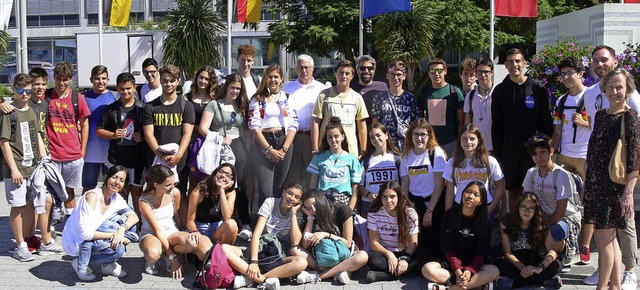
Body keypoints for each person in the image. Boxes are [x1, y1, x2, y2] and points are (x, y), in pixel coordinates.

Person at [581, 46, 640, 289]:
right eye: (611, 87)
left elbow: (635, 160)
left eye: (620, 87)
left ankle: (602, 286)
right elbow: (592, 153)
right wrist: (586, 184)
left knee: (605, 239)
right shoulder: (602, 115)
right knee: (609, 239)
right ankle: (614, 285)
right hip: (595, 184)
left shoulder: (630, 117)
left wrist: (628, 193)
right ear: (604, 89)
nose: (615, 91)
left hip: (613, 187)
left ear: (628, 90)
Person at [491, 48, 553, 214]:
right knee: (514, 190)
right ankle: (516, 225)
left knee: (534, 191)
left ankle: (535, 227)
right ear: (505, 65)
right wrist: (498, 154)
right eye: (510, 61)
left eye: (518, 61)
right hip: (509, 152)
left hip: (533, 152)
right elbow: (496, 125)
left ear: (524, 63)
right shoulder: (500, 90)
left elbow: (546, 121)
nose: (514, 65)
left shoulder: (537, 88)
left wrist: (544, 148)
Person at [2, 73, 54, 262]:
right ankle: (20, 245)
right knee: (18, 206)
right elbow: (4, 143)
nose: (25, 94)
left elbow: (38, 136)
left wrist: (45, 160)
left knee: (32, 204)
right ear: (14, 90)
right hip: (15, 170)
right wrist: (14, 169)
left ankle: (30, 239)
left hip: (33, 168)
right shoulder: (8, 112)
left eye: (28, 90)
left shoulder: (31, 110)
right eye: (21, 90)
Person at [222, 182, 309, 290]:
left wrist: (293, 213)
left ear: (299, 201)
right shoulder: (270, 202)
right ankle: (261, 278)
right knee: (223, 248)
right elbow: (256, 234)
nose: (292, 198)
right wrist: (254, 262)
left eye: (297, 197)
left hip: (278, 255)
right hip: (260, 248)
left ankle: (255, 278)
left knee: (301, 263)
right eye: (290, 193)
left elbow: (296, 242)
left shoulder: (296, 212)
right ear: (283, 192)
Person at [62, 165, 140, 281]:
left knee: (130, 227)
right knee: (118, 250)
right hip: (77, 241)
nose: (117, 182)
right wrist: (116, 236)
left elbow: (134, 216)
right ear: (106, 177)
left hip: (96, 233)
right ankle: (80, 262)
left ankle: (106, 265)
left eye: (121, 180)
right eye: (114, 177)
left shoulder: (115, 197)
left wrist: (121, 230)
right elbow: (85, 234)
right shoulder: (93, 196)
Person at [142, 64, 195, 229]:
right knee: (155, 192)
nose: (168, 84)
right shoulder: (151, 106)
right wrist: (159, 153)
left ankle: (181, 225)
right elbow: (148, 133)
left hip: (179, 159)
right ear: (161, 80)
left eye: (172, 81)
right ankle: (155, 225)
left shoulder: (186, 105)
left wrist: (178, 156)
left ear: (178, 81)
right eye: (165, 80)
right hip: (157, 159)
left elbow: (187, 133)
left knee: (180, 193)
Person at [421, 181, 500, 290]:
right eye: (468, 192)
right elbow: (448, 248)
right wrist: (458, 270)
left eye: (476, 195)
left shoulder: (484, 221)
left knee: (494, 271)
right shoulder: (449, 215)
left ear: (481, 201)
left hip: (473, 265)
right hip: (451, 264)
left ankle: (450, 288)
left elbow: (481, 252)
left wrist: (469, 271)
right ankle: (477, 286)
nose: (470, 196)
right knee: (427, 269)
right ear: (462, 194)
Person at [199, 74, 250, 239]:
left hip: (239, 147)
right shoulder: (214, 104)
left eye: (238, 88)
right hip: (220, 148)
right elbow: (203, 128)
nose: (235, 91)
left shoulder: (241, 106)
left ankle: (243, 222)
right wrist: (220, 139)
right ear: (226, 87)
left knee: (238, 185)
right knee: (218, 183)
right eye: (232, 87)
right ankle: (218, 219)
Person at [139, 164, 212, 279]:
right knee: (152, 254)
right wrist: (174, 259)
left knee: (192, 243)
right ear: (156, 185)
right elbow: (157, 231)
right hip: (152, 233)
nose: (172, 186)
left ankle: (171, 253)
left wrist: (181, 236)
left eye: (173, 183)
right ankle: (159, 258)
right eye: (168, 185)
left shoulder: (175, 193)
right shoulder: (144, 201)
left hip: (171, 231)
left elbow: (177, 217)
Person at [523, 134, 582, 265]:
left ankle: (562, 255)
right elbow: (526, 201)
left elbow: (560, 212)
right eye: (535, 154)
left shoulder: (561, 174)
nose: (539, 157)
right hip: (542, 216)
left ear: (551, 151)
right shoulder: (531, 173)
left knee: (554, 231)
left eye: (542, 152)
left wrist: (542, 226)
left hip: (567, 218)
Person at [96, 72, 146, 221]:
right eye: (122, 89)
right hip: (118, 158)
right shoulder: (111, 109)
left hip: (137, 158)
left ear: (135, 88)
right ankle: (121, 221)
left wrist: (142, 137)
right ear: (117, 89)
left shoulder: (143, 108)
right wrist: (113, 134)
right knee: (120, 192)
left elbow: (153, 132)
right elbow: (99, 130)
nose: (126, 92)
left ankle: (138, 222)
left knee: (137, 191)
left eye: (129, 88)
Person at [291, 189, 368, 284]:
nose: (314, 210)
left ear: (321, 200)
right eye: (309, 208)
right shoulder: (310, 216)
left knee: (363, 256)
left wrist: (326, 235)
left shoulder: (342, 210)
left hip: (342, 255)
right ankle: (338, 272)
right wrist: (310, 218)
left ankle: (318, 276)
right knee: (295, 250)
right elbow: (305, 245)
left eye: (315, 204)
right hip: (322, 259)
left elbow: (347, 243)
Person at [248, 64, 298, 209]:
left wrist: (284, 149)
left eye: (276, 77)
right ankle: (262, 225)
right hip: (264, 143)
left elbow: (294, 125)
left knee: (279, 187)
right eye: (270, 76)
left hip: (284, 141)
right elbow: (254, 127)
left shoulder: (288, 98)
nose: (273, 80)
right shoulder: (257, 98)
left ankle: (277, 223)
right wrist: (269, 149)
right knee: (265, 190)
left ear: (281, 79)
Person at [46, 61, 91, 216]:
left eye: (65, 79)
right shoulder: (46, 96)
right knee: (50, 192)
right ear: (54, 77)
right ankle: (50, 226)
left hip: (73, 154)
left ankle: (69, 222)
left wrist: (82, 150)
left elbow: (85, 125)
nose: (62, 82)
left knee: (69, 191)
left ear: (71, 79)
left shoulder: (77, 98)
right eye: (59, 78)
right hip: (51, 154)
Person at [494, 193, 564, 289]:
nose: (526, 211)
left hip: (536, 260)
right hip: (516, 260)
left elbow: (552, 252)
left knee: (557, 265)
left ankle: (514, 282)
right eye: (523, 207)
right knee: (499, 264)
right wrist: (522, 267)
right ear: (518, 207)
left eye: (531, 208)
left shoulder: (542, 224)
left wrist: (540, 268)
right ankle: (543, 281)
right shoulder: (506, 222)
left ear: (536, 210)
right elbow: (507, 253)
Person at [399, 118, 446, 249]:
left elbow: (440, 184)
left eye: (423, 134)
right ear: (410, 136)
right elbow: (405, 185)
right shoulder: (406, 156)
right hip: (415, 205)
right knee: (417, 243)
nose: (419, 138)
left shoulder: (435, 153)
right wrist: (405, 208)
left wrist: (429, 211)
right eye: (415, 134)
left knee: (435, 243)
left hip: (434, 205)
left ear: (429, 135)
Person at [284, 54, 329, 189]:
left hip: (314, 138)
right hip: (294, 138)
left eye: (307, 68)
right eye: (301, 68)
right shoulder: (287, 89)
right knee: (294, 176)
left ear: (312, 68)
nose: (304, 71)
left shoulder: (322, 89)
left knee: (313, 176)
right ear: (296, 69)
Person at [365, 181, 421, 283]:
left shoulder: (410, 214)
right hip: (385, 253)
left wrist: (404, 259)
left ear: (399, 196)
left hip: (406, 252)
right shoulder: (374, 213)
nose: (388, 201)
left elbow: (414, 243)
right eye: (384, 197)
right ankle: (403, 272)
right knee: (373, 260)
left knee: (425, 258)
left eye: (392, 196)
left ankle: (386, 276)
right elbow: (374, 243)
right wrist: (389, 255)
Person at [443, 124, 505, 215]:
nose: (468, 142)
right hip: (461, 207)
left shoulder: (490, 161)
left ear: (479, 140)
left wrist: (491, 208)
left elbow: (501, 186)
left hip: (483, 206)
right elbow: (449, 193)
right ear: (459, 140)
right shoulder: (452, 163)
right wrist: (448, 215)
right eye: (464, 138)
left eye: (472, 139)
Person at [311, 60, 369, 158]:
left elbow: (362, 125)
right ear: (335, 74)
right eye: (341, 73)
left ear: (352, 76)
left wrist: (363, 150)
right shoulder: (324, 95)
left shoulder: (357, 97)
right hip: (327, 149)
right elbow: (315, 122)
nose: (344, 76)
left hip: (350, 151)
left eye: (347, 73)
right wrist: (315, 148)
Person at [307, 117, 362, 209]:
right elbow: (313, 187)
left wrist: (349, 210)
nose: (333, 140)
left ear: (342, 136)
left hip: (344, 201)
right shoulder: (319, 158)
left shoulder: (352, 159)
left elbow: (355, 191)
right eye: (330, 137)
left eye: (336, 136)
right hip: (323, 200)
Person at [551, 57, 589, 181]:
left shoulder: (591, 96)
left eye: (569, 73)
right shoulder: (561, 100)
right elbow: (557, 130)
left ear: (580, 74)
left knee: (586, 195)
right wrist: (551, 151)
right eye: (563, 74)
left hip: (585, 156)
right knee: (565, 196)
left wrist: (583, 122)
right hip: (564, 155)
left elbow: (600, 125)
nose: (566, 78)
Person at [417, 58, 465, 156]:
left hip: (451, 142)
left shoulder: (455, 92)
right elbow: (420, 118)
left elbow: (461, 122)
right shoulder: (425, 92)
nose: (436, 74)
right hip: (430, 142)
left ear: (445, 71)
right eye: (432, 71)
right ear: (429, 73)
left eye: (439, 70)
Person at [83, 65, 119, 193]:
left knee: (111, 188)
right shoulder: (84, 98)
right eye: (97, 78)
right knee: (88, 188)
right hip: (90, 152)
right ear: (91, 79)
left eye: (104, 78)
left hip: (111, 151)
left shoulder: (116, 97)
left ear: (108, 80)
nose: (101, 81)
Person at [369, 61, 420, 148]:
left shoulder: (411, 98)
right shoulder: (379, 98)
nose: (395, 78)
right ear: (387, 76)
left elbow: (415, 123)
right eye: (392, 74)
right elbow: (375, 124)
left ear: (404, 76)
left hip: (406, 145)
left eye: (399, 74)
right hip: (385, 145)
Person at [186, 163, 238, 245]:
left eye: (227, 175)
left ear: (232, 180)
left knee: (232, 224)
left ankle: (224, 253)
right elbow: (189, 221)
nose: (223, 176)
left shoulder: (230, 192)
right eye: (221, 172)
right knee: (206, 252)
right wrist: (195, 231)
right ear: (215, 173)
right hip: (201, 230)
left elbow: (227, 217)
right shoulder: (199, 192)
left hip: (217, 230)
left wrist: (222, 190)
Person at [358, 122, 401, 216]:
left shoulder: (397, 158)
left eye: (378, 135)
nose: (376, 139)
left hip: (392, 204)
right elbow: (358, 185)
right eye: (372, 137)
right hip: (370, 204)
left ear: (386, 135)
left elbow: (403, 184)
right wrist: (369, 195)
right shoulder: (366, 160)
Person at [185, 65, 217, 190]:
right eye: (201, 77)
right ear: (196, 78)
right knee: (193, 181)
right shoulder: (187, 98)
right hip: (191, 142)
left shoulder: (215, 99)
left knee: (208, 180)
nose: (203, 81)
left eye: (207, 79)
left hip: (208, 143)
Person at [463, 58, 495, 152]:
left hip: (495, 145)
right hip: (476, 146)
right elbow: (467, 121)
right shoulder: (470, 96)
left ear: (492, 72)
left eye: (486, 72)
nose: (483, 75)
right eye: (479, 72)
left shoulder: (498, 93)